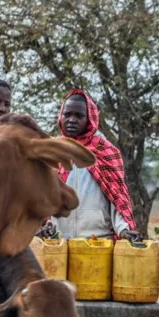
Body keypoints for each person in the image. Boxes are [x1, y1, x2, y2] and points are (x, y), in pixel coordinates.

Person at [45, 89, 139, 240]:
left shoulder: (105, 151)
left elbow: (117, 197)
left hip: (99, 241)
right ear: (60, 116)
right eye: (67, 114)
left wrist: (123, 229)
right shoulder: (50, 151)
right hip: (59, 241)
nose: (72, 120)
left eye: (79, 116)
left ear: (90, 119)